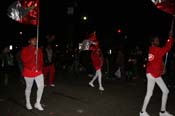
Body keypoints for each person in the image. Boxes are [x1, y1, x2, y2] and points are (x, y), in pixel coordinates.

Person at [139, 34, 174, 116]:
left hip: (156, 74)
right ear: (152, 42)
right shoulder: (154, 49)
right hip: (152, 74)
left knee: (165, 91)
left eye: (158, 39)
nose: (158, 41)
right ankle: (142, 112)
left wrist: (163, 67)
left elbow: (158, 61)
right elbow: (167, 48)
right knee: (149, 93)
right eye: (156, 40)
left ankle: (162, 112)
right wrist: (170, 39)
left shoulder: (154, 49)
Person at [21, 36, 44, 111]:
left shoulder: (39, 50)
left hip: (38, 71)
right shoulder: (25, 49)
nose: (35, 41)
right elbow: (24, 60)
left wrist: (39, 67)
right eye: (33, 40)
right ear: (29, 41)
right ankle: (28, 102)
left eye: (36, 40)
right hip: (29, 71)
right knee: (29, 87)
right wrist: (33, 54)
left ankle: (37, 103)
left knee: (41, 86)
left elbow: (41, 61)